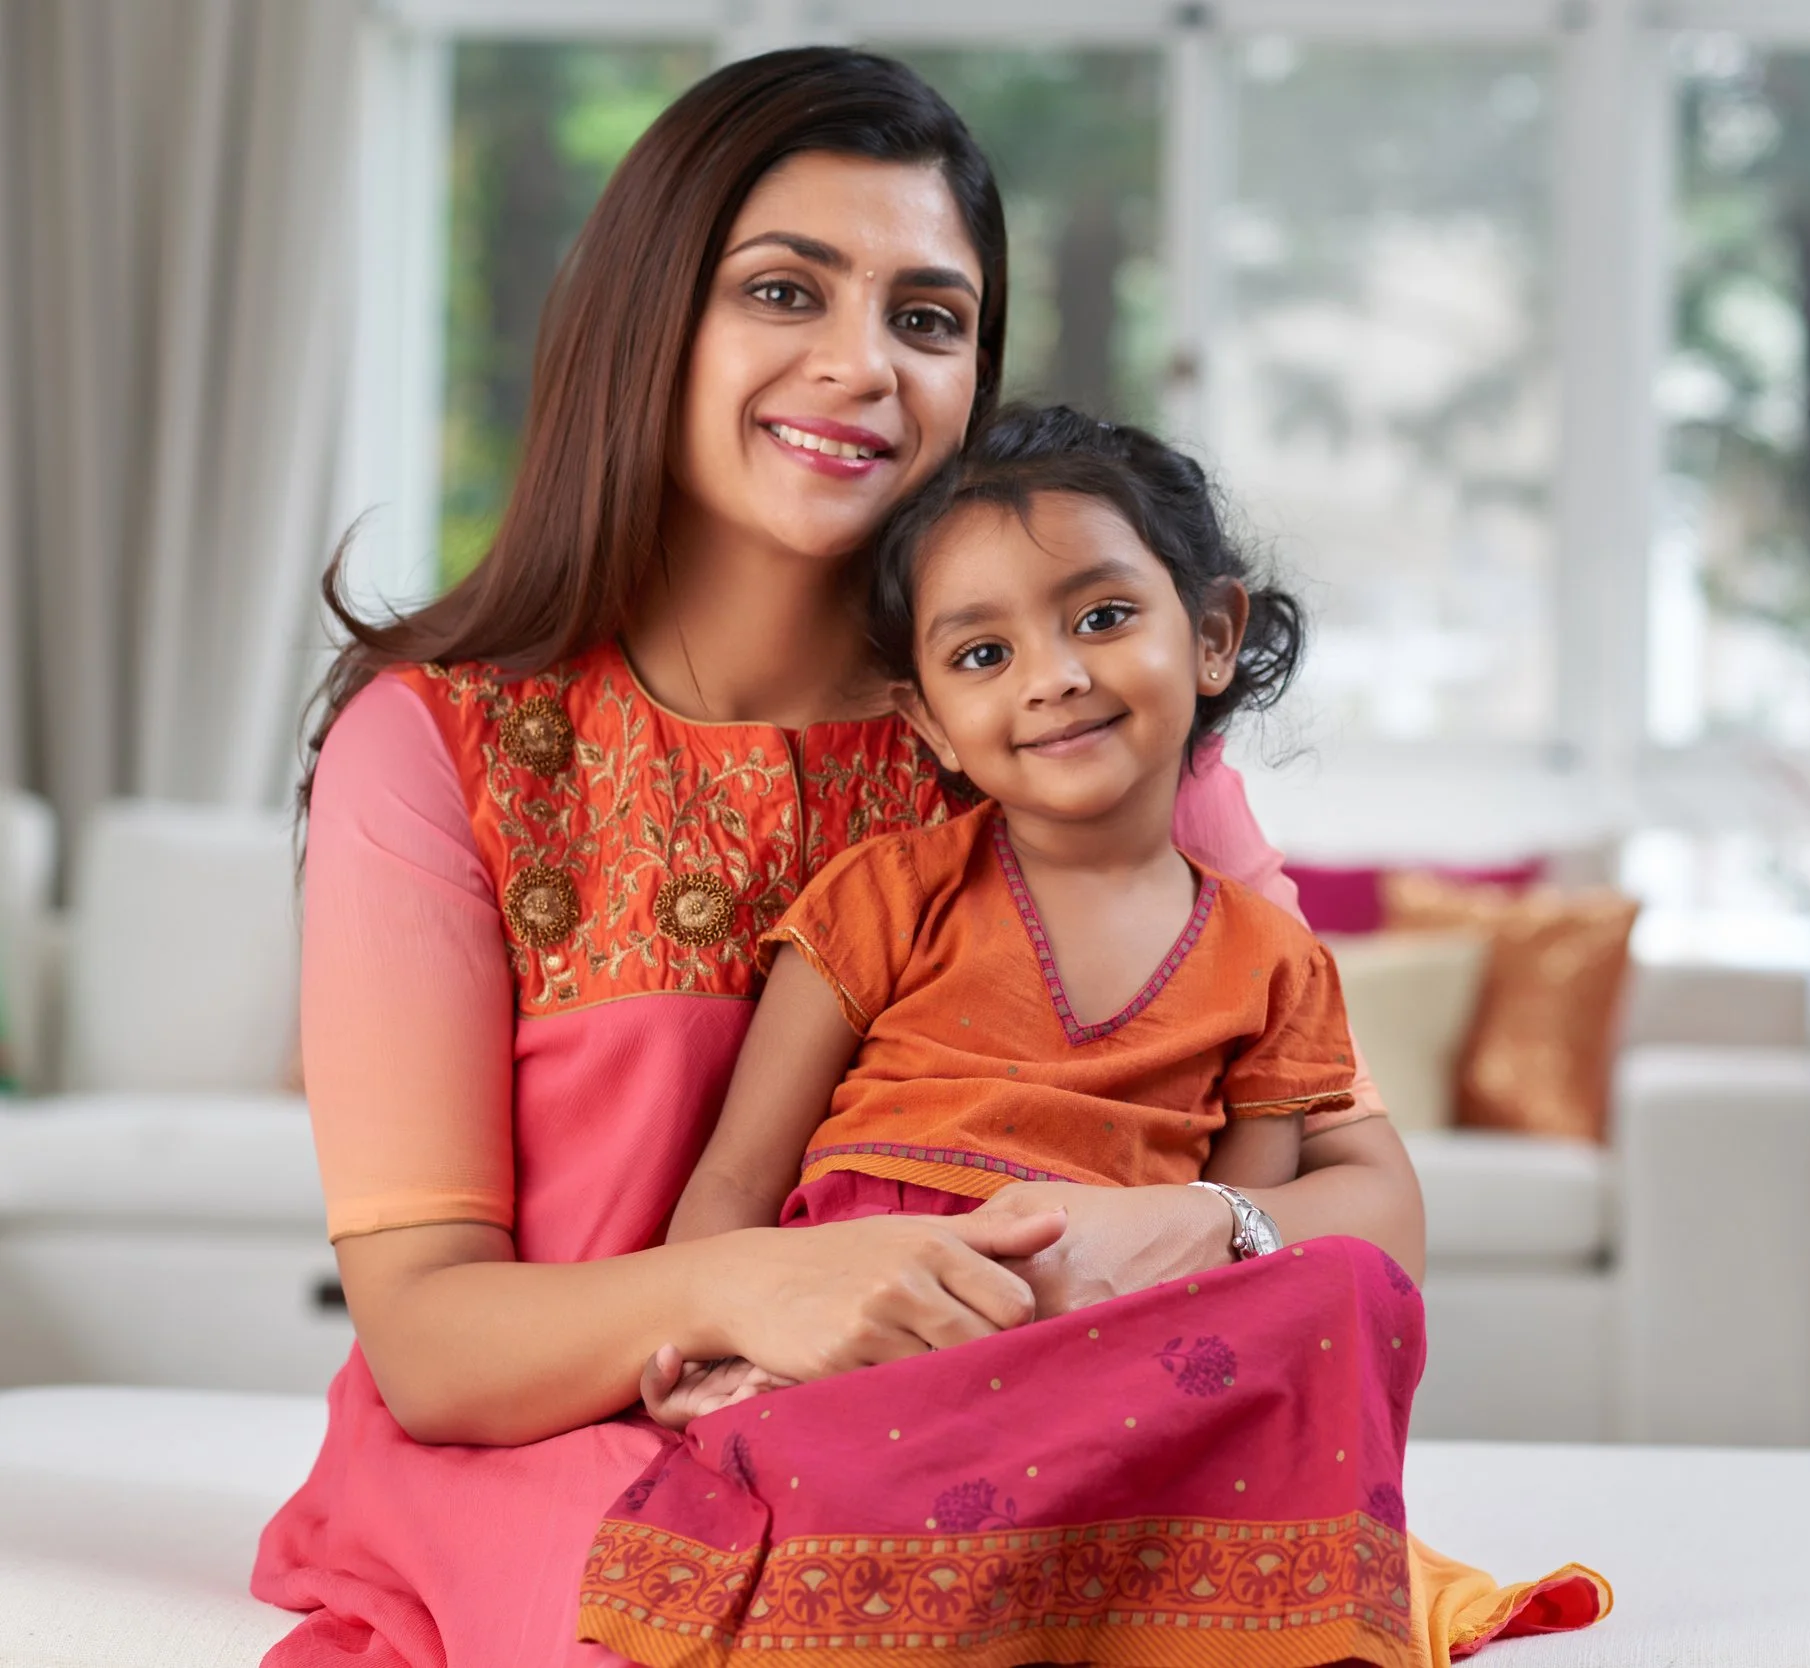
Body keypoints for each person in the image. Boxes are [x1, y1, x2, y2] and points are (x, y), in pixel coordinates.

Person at [254, 45, 1600, 1667]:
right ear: (650, 320)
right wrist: (763, 1289)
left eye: (928, 317)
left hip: (1004, 1435)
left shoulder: (1078, 732)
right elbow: (433, 1343)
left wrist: (1200, 1232)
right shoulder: (443, 744)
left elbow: (1367, 1207)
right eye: (784, 291)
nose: (861, 365)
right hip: (567, 1459)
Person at [639, 405, 1349, 1428]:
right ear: (930, 722)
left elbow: (1231, 1266)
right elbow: (739, 1174)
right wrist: (707, 1337)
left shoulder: (1278, 963)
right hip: (855, 1333)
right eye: (981, 656)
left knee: (1345, 1303)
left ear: (1210, 639)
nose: (1054, 679)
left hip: (1098, 1360)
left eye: (1102, 618)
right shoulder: (881, 894)